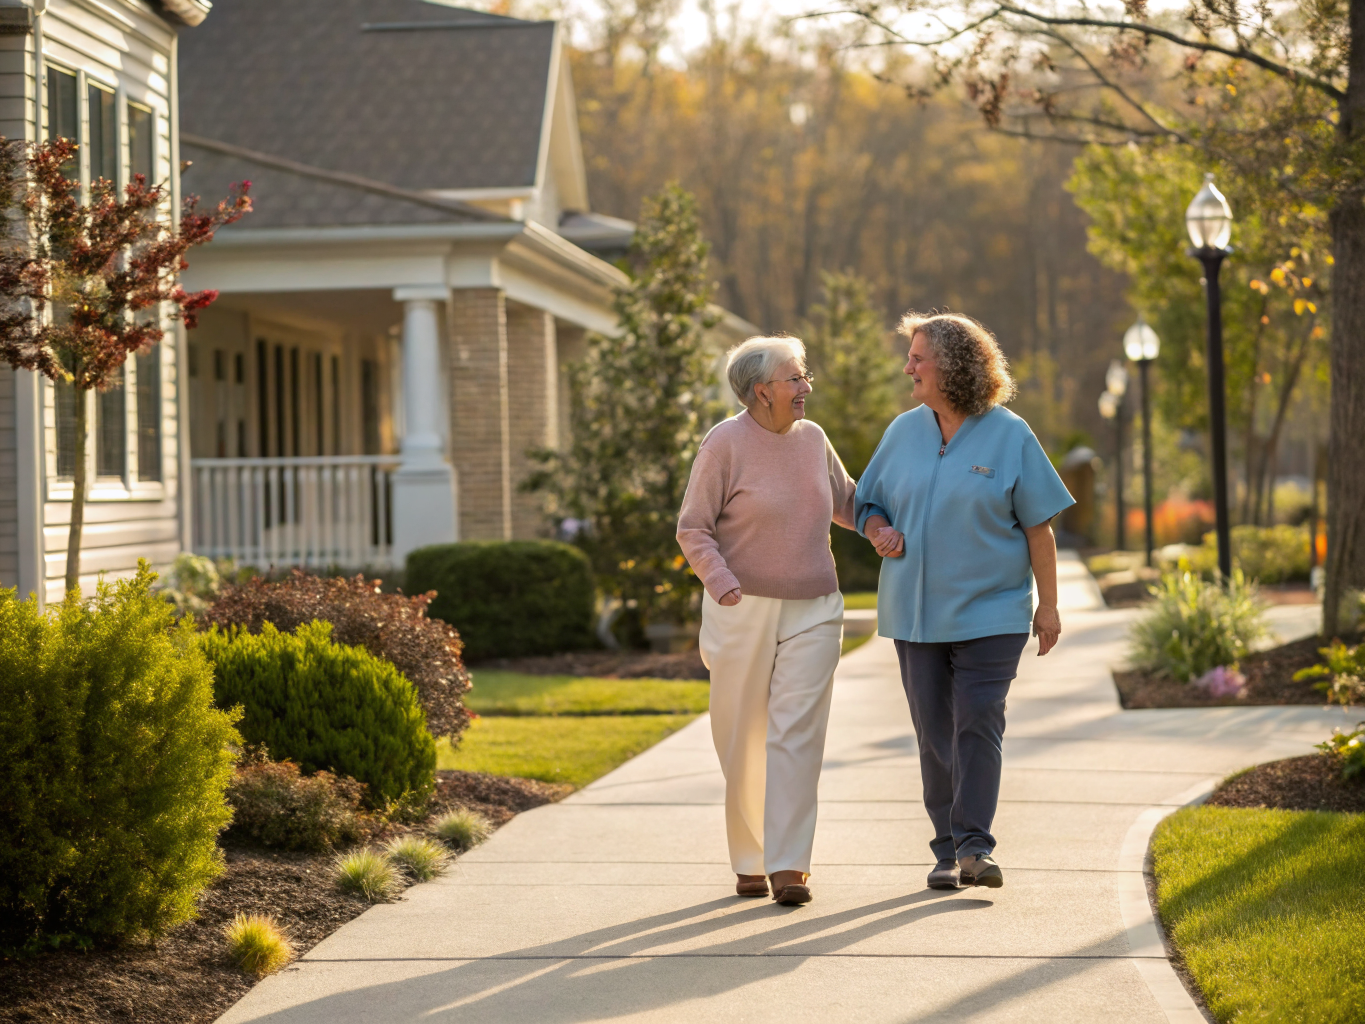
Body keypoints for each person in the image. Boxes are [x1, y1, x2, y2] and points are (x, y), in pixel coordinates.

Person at [855, 312, 1074, 891]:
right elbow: (866, 503)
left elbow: (1039, 528)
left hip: (992, 612)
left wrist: (1048, 606)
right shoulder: (903, 432)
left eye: (918, 357)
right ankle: (946, 849)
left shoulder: (1010, 434)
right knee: (934, 733)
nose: (908, 367)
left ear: (952, 365)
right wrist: (878, 530)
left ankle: (975, 845)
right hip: (915, 614)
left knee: (977, 719)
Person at [677, 335, 858, 906]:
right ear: (762, 391)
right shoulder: (724, 444)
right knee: (742, 738)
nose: (806, 388)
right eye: (796, 378)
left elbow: (848, 501)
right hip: (741, 607)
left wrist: (880, 526)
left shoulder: (814, 439)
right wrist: (721, 581)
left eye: (805, 377)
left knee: (797, 733)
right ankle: (751, 859)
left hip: (815, 604)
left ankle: (789, 865)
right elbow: (693, 527)